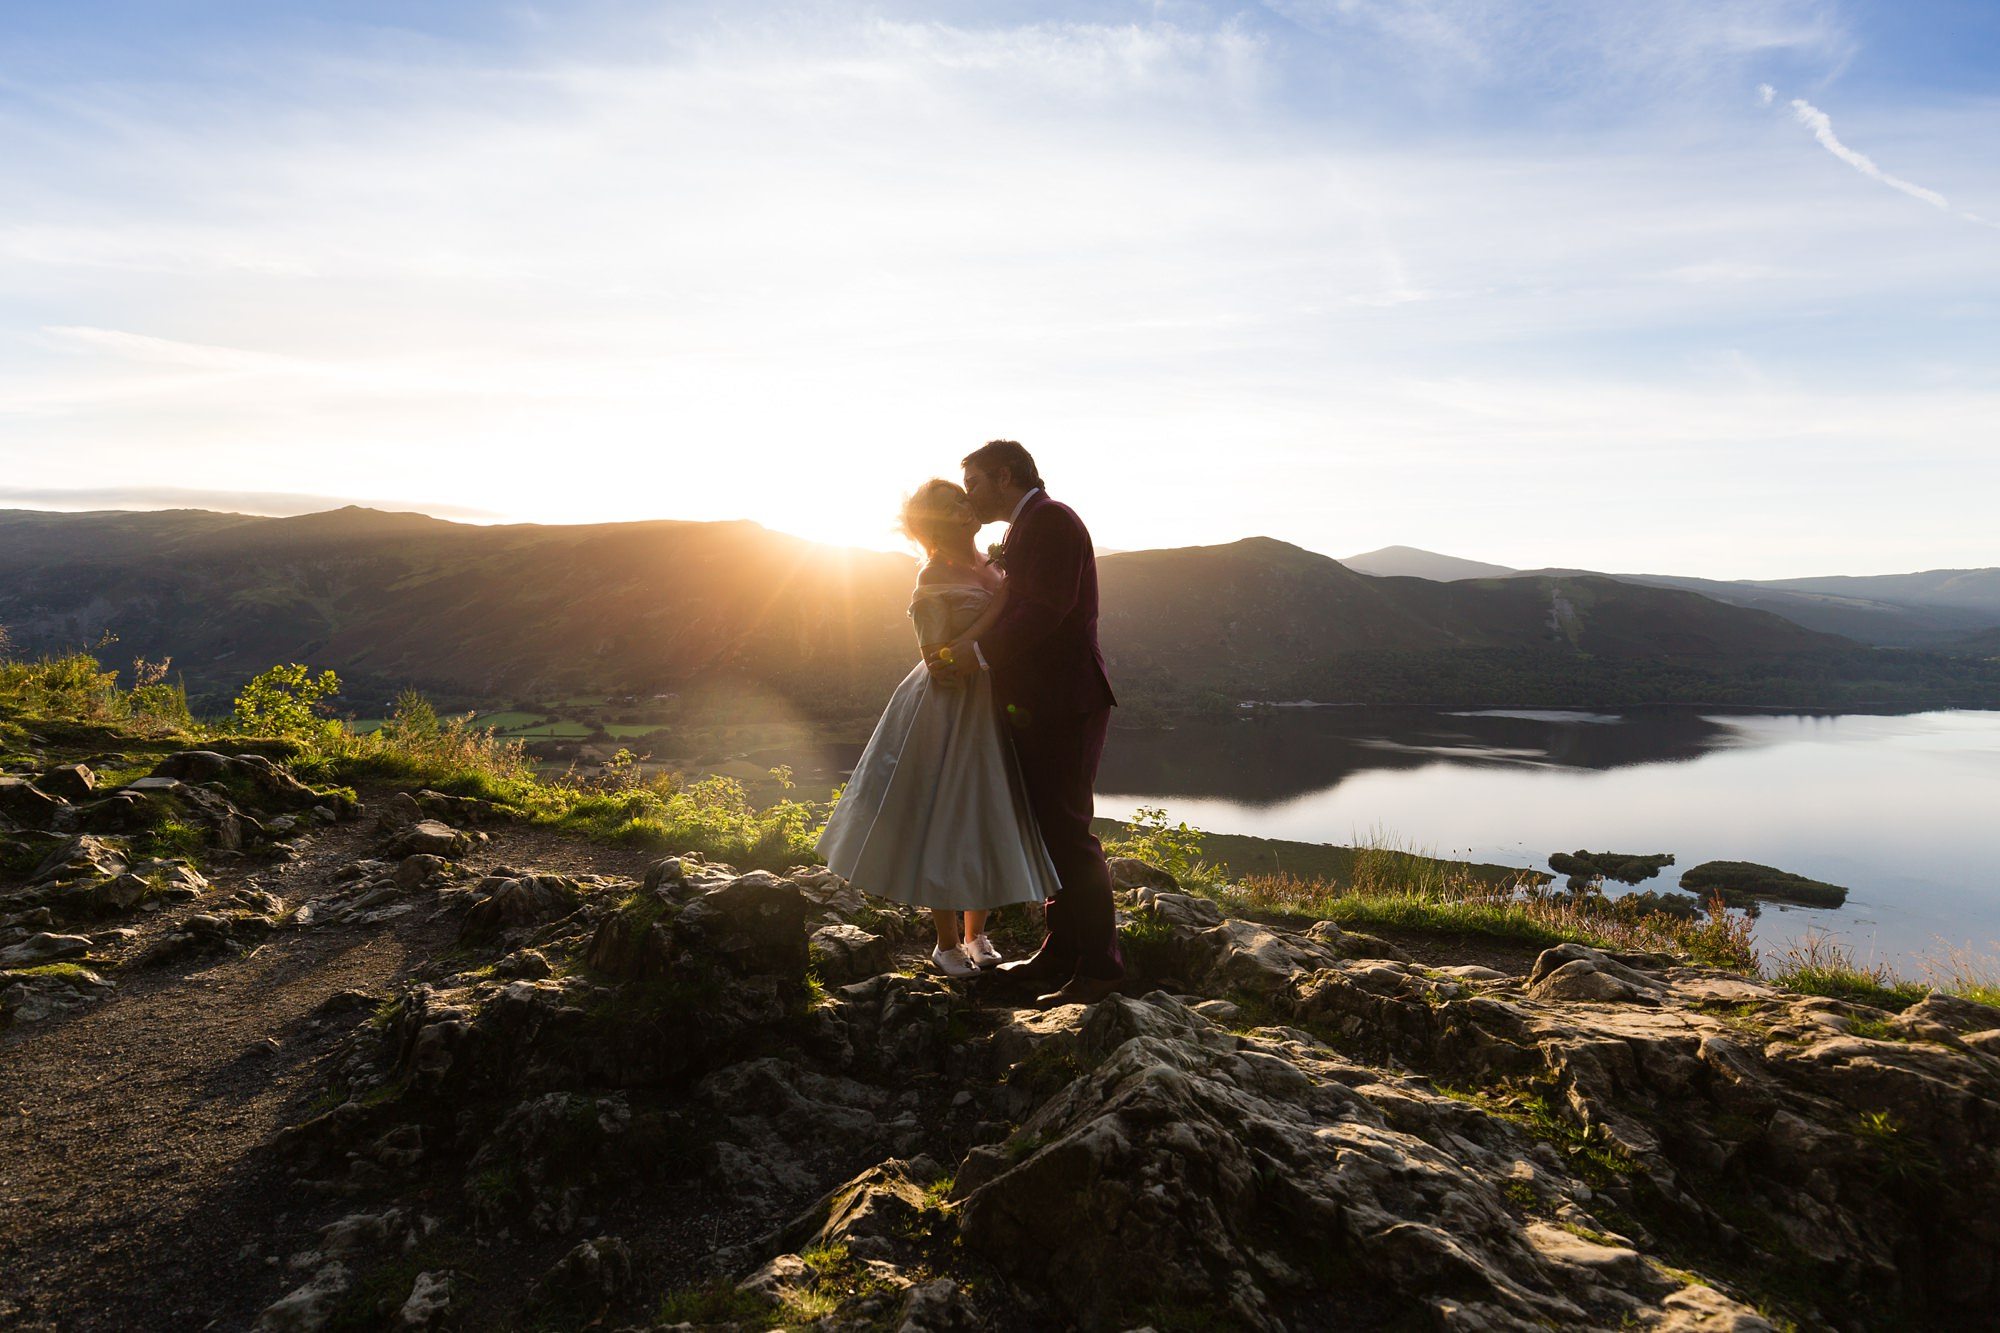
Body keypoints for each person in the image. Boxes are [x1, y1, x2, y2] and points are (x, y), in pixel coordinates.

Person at [814, 479, 1058, 977]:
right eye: (952, 504)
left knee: (988, 814)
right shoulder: (931, 576)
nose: (966, 505)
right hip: (945, 708)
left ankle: (977, 934)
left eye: (963, 497)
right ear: (935, 523)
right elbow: (936, 658)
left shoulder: (991, 562)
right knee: (942, 817)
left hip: (993, 704)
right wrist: (996, 610)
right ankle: (946, 944)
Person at [929, 440, 1124, 1007]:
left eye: (973, 484)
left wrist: (977, 654)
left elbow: (1046, 608)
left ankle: (1101, 969)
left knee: (1069, 834)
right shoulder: (1030, 524)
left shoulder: (1052, 521)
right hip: (1042, 701)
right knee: (1051, 833)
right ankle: (1061, 954)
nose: (968, 495)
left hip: (1064, 699)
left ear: (1004, 475)